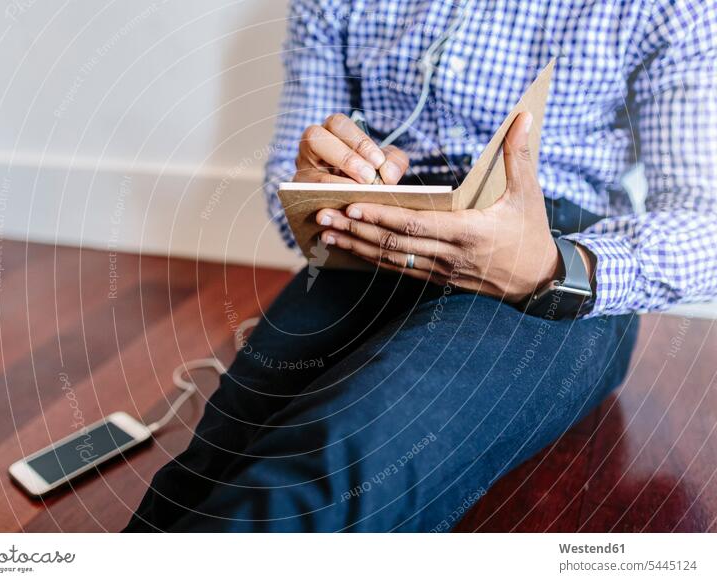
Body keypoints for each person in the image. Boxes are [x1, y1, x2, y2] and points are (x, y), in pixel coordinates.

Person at [125, 0, 717, 532]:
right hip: (380, 230)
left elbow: (705, 221)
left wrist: (551, 266)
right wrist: (316, 185)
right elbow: (290, 202)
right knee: (211, 461)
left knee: (348, 456)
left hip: (558, 250)